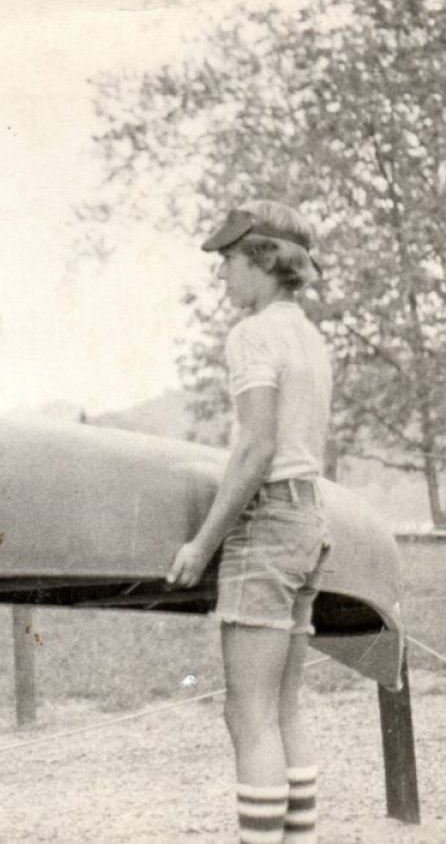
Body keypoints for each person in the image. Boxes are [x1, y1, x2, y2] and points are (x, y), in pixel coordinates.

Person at [167, 200, 331, 844]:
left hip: (267, 526)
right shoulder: (309, 336)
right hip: (310, 517)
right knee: (285, 707)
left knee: (248, 713)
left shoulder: (252, 334)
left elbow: (256, 448)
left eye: (229, 260)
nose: (222, 277)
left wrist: (203, 543)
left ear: (263, 259)